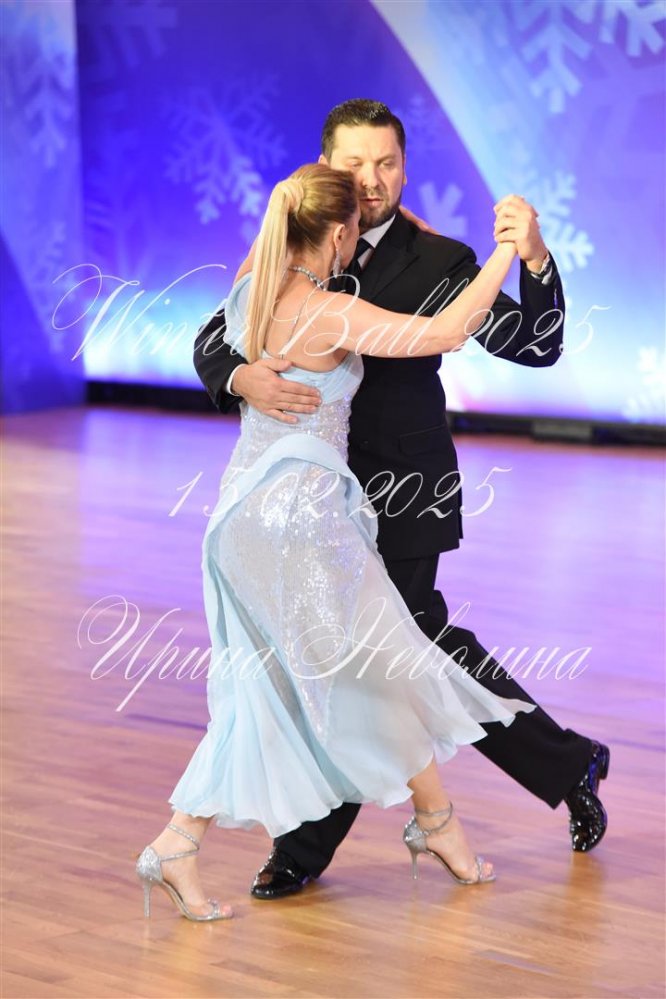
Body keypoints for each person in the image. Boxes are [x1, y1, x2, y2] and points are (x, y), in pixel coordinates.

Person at [193, 100, 609, 901]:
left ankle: (304, 849)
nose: (370, 179)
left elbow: (536, 344)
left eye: (385, 163)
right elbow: (216, 336)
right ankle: (565, 763)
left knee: (383, 658)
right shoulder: (292, 243)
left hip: (405, 491)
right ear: (326, 167)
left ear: (405, 167)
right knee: (369, 657)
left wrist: (532, 257)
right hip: (311, 503)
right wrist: (241, 376)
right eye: (354, 163)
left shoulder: (439, 257)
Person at [136, 162, 538, 921]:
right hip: (303, 526)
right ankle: (430, 826)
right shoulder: (326, 312)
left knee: (303, 684)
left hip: (243, 519)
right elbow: (449, 331)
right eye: (353, 230)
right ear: (339, 234)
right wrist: (505, 252)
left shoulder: (250, 288)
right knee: (378, 669)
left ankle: (429, 825)